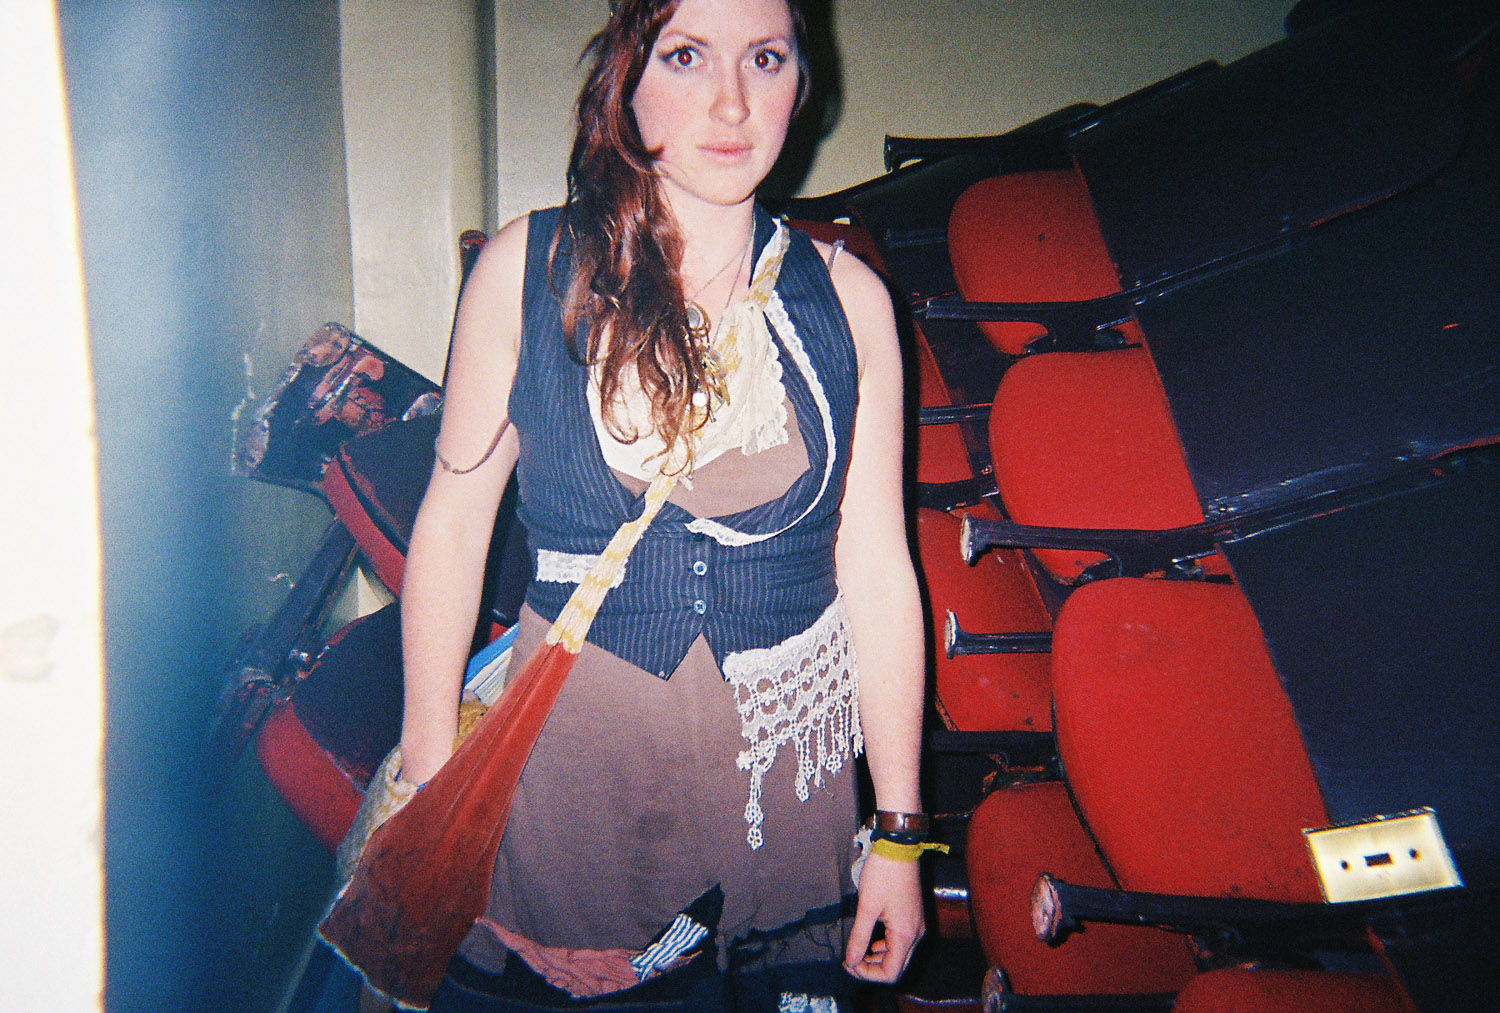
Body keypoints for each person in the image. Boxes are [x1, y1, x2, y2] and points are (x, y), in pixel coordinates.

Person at [396, 0, 926, 1008]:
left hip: (783, 795)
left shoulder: (851, 300)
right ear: (627, 79)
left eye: (765, 58)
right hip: (574, 788)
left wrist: (900, 831)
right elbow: (453, 528)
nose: (732, 102)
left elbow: (877, 568)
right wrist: (433, 790)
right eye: (686, 57)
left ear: (801, 83)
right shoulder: (527, 271)